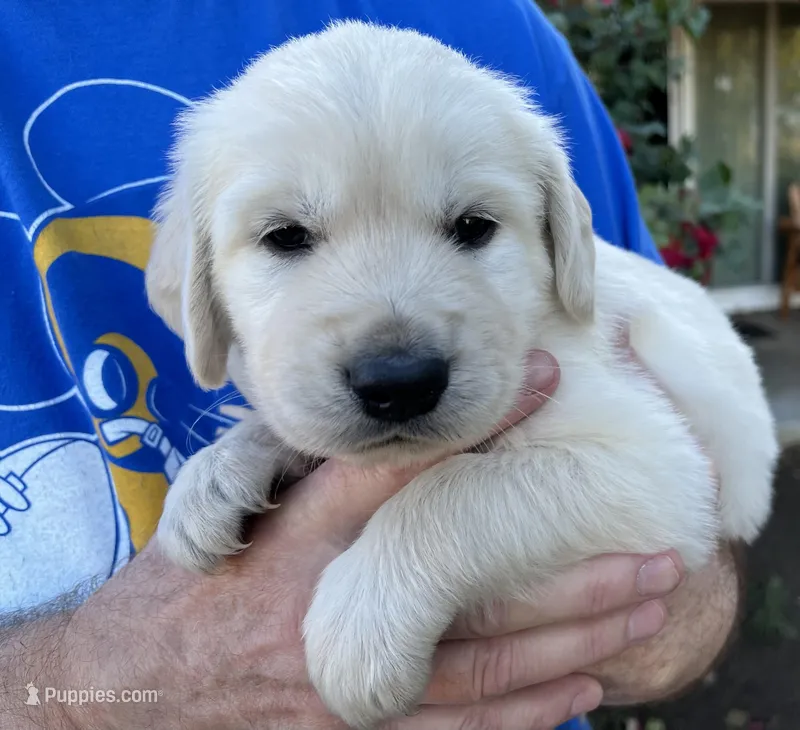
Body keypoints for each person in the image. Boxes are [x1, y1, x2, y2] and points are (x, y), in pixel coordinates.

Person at [0, 1, 740, 728]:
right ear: (194, 280)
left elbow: (683, 507)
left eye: (472, 226)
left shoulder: (499, 29)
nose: (396, 359)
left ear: (558, 246)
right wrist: (77, 696)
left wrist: (428, 551)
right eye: (288, 237)